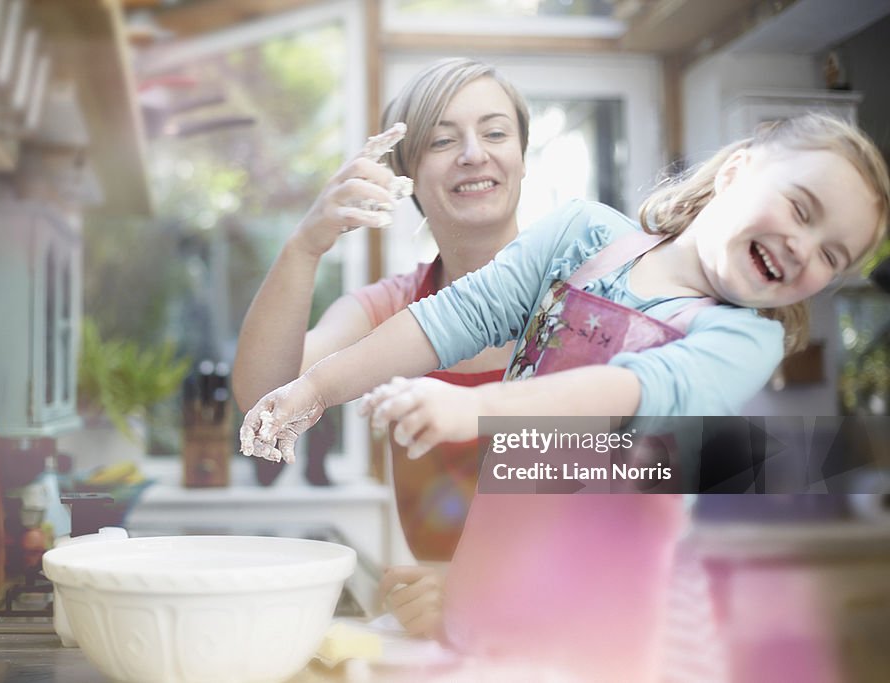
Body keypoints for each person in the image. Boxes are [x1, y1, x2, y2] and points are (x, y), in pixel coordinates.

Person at [239, 113, 890, 667]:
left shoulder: (747, 341)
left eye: (833, 256)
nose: (805, 247)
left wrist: (476, 407)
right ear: (735, 172)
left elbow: (626, 390)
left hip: (616, 632)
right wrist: (316, 387)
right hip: (488, 608)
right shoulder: (581, 233)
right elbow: (458, 314)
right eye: (801, 209)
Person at [231, 58, 531, 636]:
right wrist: (304, 246)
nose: (474, 153)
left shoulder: (590, 297)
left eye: (495, 133)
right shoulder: (392, 308)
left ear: (522, 157)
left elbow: (681, 463)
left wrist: (481, 586)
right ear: (407, 172)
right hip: (444, 640)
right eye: (443, 140)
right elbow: (265, 397)